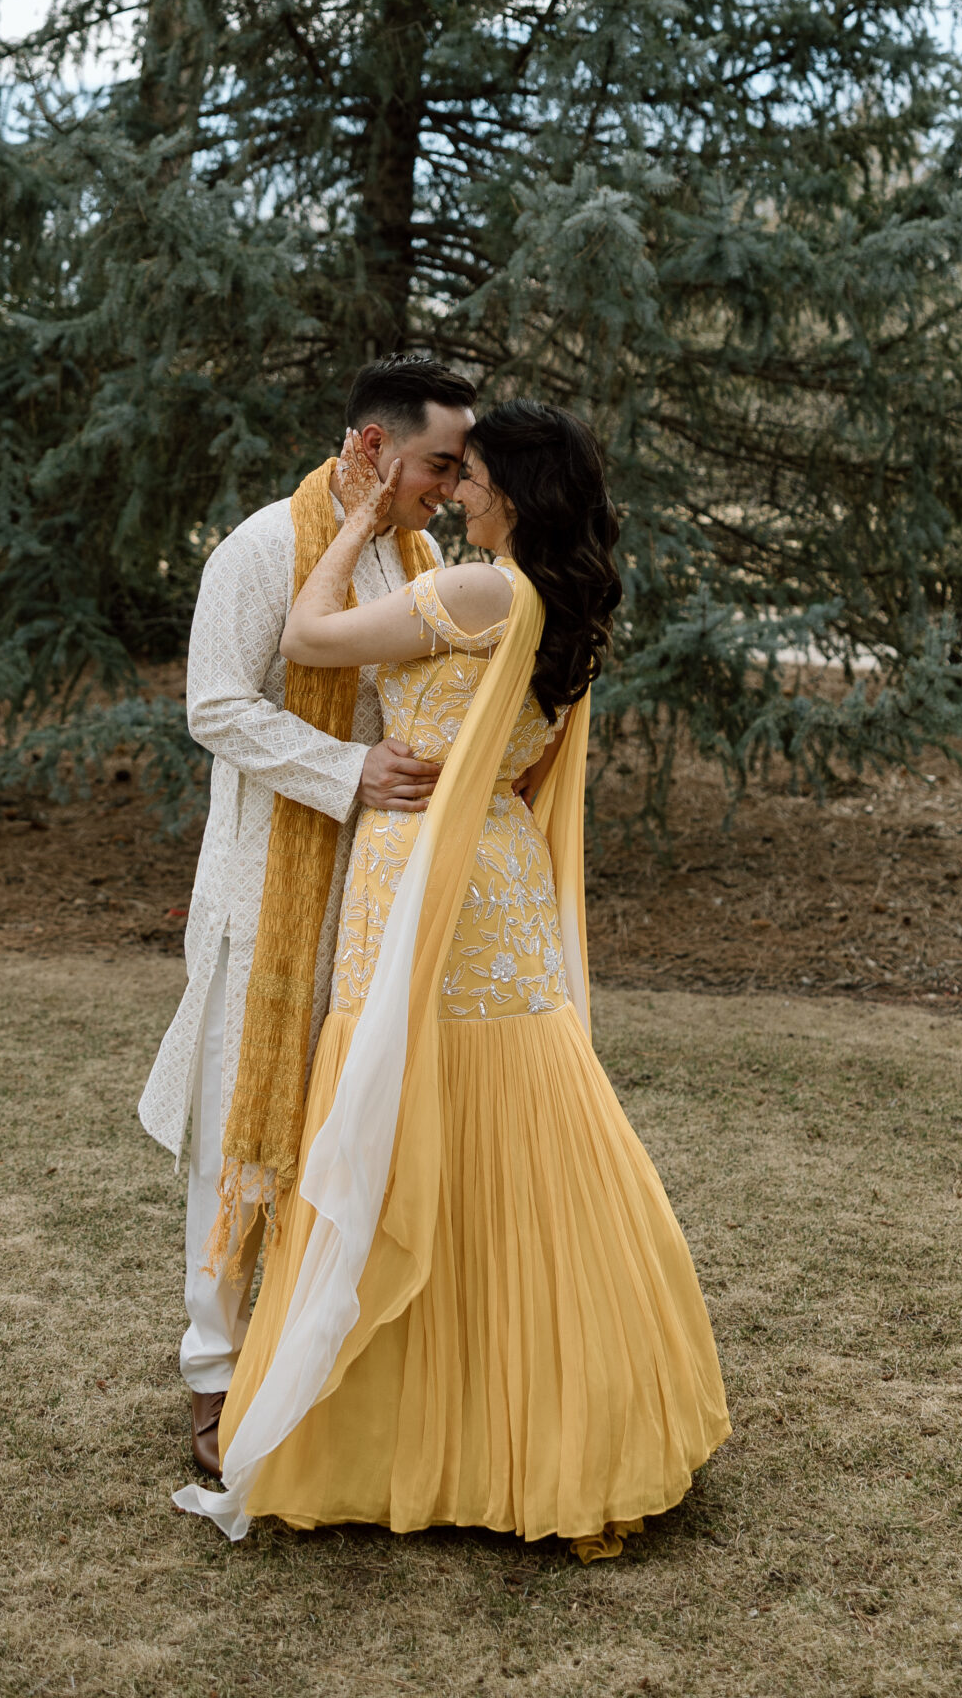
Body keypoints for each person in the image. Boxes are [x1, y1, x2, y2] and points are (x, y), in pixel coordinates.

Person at [174, 400, 729, 1558]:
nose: (457, 492)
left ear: (515, 491)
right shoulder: (562, 602)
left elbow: (310, 640)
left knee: (411, 1115)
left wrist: (357, 520)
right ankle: (522, 1418)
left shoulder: (483, 590)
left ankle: (403, 1430)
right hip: (500, 880)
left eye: (471, 476)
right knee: (507, 1141)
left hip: (429, 881)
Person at [138, 359, 476, 1480]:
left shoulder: (418, 555)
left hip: (375, 896)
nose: (454, 481)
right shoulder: (257, 551)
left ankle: (312, 1358)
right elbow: (215, 706)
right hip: (265, 892)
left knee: (345, 1123)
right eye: (440, 461)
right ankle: (211, 1370)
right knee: (243, 1134)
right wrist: (348, 769)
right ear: (376, 448)